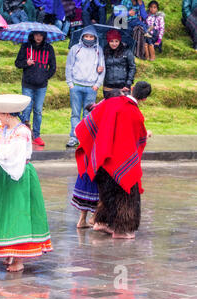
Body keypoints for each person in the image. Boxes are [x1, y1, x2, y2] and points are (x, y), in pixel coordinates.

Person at [0, 94, 53, 272]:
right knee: (4, 211)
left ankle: (19, 258)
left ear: (7, 114)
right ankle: (9, 251)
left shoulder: (22, 132)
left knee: (18, 212)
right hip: (4, 175)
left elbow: (15, 155)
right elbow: (1, 150)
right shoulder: (3, 130)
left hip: (19, 174)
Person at [75, 81, 152, 239]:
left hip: (102, 160)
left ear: (131, 89)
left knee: (105, 194)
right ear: (144, 99)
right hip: (121, 163)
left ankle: (101, 222)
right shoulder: (135, 114)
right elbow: (138, 137)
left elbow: (87, 124)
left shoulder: (111, 102)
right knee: (127, 196)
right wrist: (146, 134)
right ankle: (121, 230)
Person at [65, 25, 105, 148]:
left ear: (95, 37)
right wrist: (70, 84)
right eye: (86, 36)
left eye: (91, 36)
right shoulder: (75, 48)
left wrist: (97, 84)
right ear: (82, 37)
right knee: (75, 113)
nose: (88, 38)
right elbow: (69, 66)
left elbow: (102, 69)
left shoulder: (99, 50)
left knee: (88, 115)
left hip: (91, 87)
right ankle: (74, 136)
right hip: (76, 86)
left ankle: (86, 137)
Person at [15, 31, 56, 147]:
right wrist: (26, 63)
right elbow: (17, 63)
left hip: (41, 86)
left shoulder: (49, 48)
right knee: (26, 110)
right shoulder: (26, 46)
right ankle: (24, 135)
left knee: (38, 111)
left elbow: (53, 67)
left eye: (41, 35)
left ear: (44, 36)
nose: (38, 37)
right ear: (32, 35)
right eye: (36, 35)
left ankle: (36, 135)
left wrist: (44, 77)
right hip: (27, 84)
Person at [103, 29, 136, 99]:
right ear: (108, 41)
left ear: (120, 41)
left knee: (122, 108)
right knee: (109, 108)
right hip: (108, 86)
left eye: (116, 41)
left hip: (123, 86)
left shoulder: (127, 52)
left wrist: (128, 83)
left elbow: (132, 67)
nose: (114, 44)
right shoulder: (104, 51)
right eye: (111, 41)